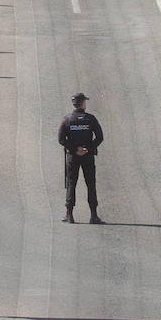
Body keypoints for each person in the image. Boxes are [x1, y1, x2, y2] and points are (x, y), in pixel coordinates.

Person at [57, 92, 104, 224]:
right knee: (91, 184)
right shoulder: (90, 119)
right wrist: (87, 148)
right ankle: (94, 216)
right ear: (83, 103)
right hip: (88, 157)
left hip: (72, 157)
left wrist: (75, 149)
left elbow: (61, 139)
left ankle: (69, 215)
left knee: (71, 184)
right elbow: (100, 137)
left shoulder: (67, 119)